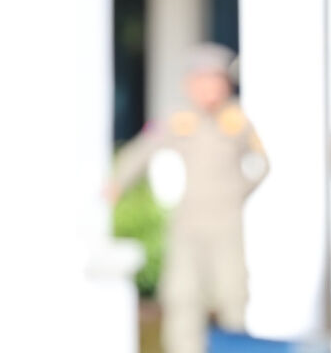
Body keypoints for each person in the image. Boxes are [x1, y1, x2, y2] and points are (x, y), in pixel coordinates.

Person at [106, 43, 269, 353]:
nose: (209, 88)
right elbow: (143, 150)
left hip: (226, 223)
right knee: (183, 296)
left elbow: (263, 165)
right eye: (201, 80)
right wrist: (117, 183)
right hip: (189, 221)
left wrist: (237, 194)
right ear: (190, 84)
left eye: (215, 80)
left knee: (232, 294)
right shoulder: (178, 119)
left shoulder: (236, 121)